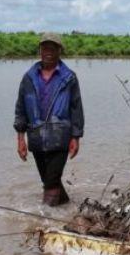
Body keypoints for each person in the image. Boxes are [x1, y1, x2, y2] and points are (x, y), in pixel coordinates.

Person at [14, 33, 84, 206]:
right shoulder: (28, 77)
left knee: (51, 181)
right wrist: (20, 139)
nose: (48, 52)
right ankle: (67, 208)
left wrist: (76, 137)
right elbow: (21, 108)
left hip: (61, 137)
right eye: (45, 48)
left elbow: (76, 108)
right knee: (49, 181)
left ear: (59, 51)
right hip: (36, 137)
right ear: (40, 50)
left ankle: (45, 218)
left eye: (53, 48)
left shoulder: (69, 77)